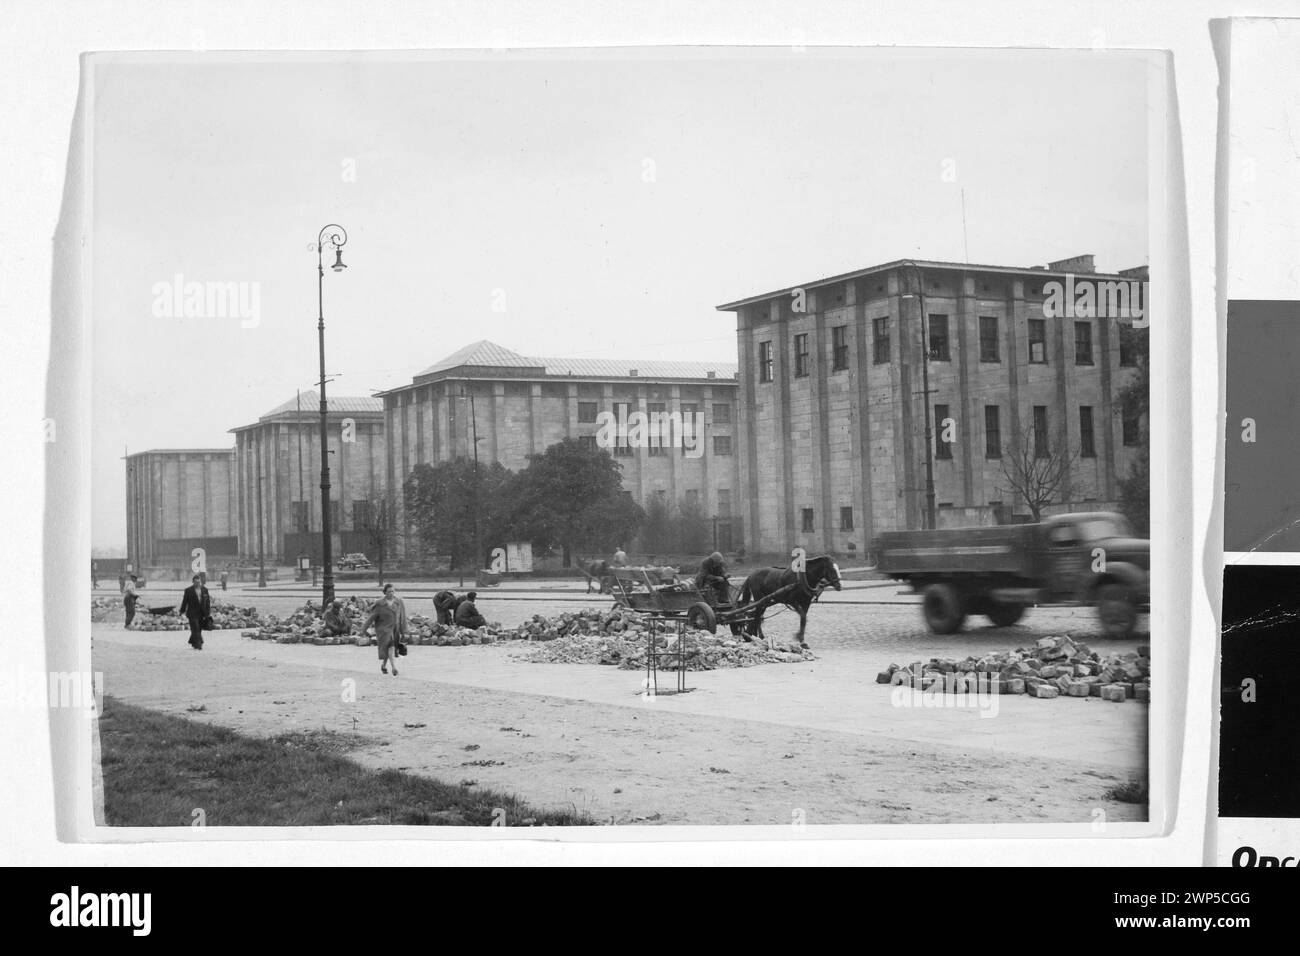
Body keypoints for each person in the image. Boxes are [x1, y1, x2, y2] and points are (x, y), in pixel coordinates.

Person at [363, 589, 402, 676]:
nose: (391, 593)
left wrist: (403, 629)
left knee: (389, 649)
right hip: (383, 630)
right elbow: (371, 617)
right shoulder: (380, 604)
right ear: (385, 593)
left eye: (392, 591)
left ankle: (384, 666)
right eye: (389, 591)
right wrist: (363, 629)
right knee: (390, 647)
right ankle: (394, 668)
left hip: (394, 629)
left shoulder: (397, 603)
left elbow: (401, 617)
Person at [178, 573, 211, 650]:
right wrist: (182, 611)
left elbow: (208, 602)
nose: (197, 583)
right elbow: (185, 601)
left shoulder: (205, 590)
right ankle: (199, 644)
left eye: (198, 582)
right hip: (192, 613)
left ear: (200, 582)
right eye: (196, 582)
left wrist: (208, 612)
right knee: (195, 628)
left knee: (198, 629)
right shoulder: (188, 590)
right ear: (193, 582)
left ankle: (193, 642)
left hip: (202, 613)